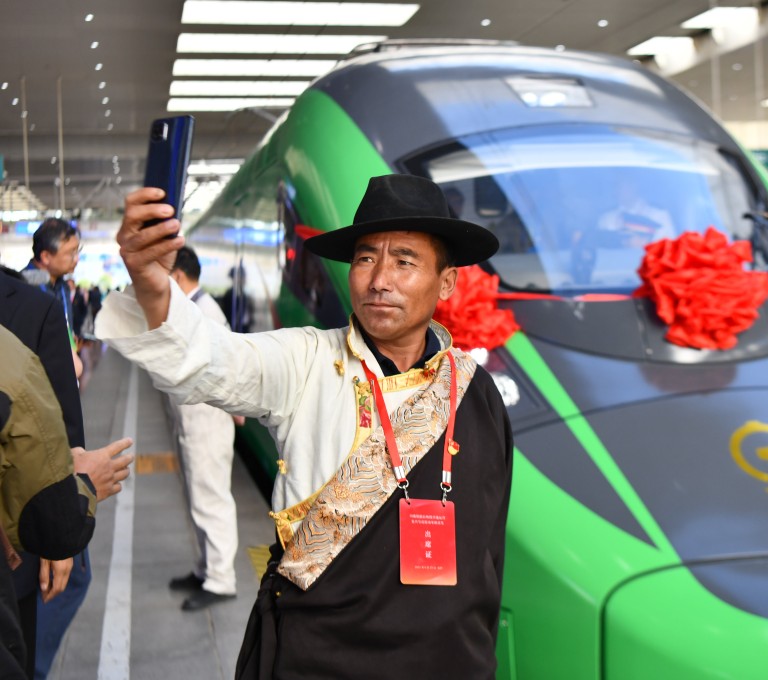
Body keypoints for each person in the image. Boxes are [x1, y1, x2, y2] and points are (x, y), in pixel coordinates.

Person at [96, 174, 514, 679]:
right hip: (321, 657)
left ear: (446, 282)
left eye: (404, 261)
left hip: (444, 662)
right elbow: (210, 358)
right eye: (365, 258)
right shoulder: (307, 360)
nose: (379, 279)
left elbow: (487, 556)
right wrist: (149, 281)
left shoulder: (475, 392)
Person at [0, 270, 134, 679]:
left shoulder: (32, 303)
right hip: (21, 537)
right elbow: (62, 431)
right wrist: (79, 492)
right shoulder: (32, 317)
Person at [165, 246, 240, 611]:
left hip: (207, 422)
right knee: (198, 496)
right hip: (194, 420)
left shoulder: (204, 313)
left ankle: (221, 579)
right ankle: (205, 567)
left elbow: (225, 367)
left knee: (211, 497)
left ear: (177, 276)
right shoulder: (192, 310)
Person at [21, 218, 80, 329]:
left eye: (78, 251)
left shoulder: (62, 287)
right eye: (71, 253)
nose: (76, 259)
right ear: (46, 257)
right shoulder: (23, 290)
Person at [216, 265, 252, 333]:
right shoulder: (230, 294)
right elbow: (228, 315)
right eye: (243, 277)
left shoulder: (242, 293)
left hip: (243, 329)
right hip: (234, 330)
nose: (245, 279)